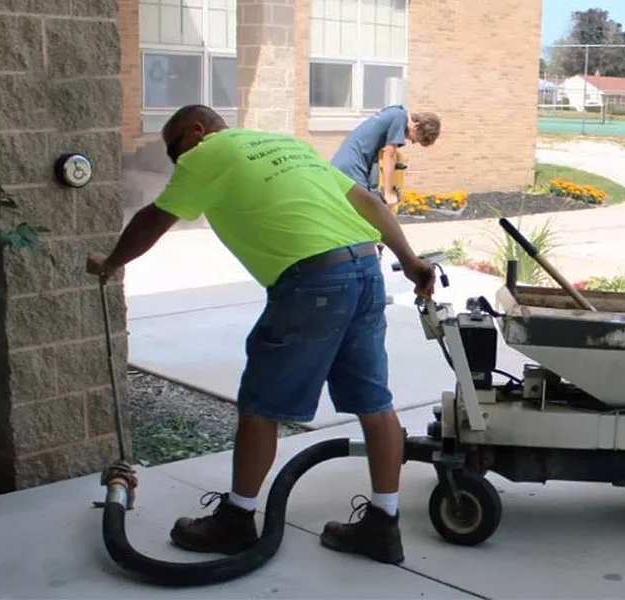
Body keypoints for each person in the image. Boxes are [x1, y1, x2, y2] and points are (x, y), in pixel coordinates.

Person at [86, 104, 436, 565]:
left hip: (312, 282)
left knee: (260, 406)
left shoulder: (205, 153)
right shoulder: (287, 145)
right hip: (364, 269)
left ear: (196, 131)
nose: (177, 163)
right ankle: (382, 526)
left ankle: (236, 520)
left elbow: (156, 217)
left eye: (175, 150)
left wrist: (112, 263)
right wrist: (410, 260)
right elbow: (368, 202)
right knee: (375, 403)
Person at [331, 104, 441, 208]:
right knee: (366, 211)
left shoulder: (394, 112)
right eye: (415, 139)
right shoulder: (399, 117)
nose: (411, 142)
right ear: (417, 127)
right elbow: (389, 154)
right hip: (352, 165)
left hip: (344, 161)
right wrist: (388, 193)